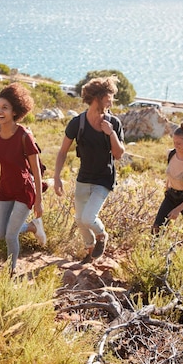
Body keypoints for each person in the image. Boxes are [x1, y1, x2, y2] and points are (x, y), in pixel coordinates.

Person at [0, 82, 46, 274]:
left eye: (5, 107)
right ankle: (32, 227)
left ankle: (10, 271)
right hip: (4, 189)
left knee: (11, 235)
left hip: (24, 190)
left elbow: (36, 170)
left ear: (15, 111)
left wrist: (39, 200)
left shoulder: (24, 136)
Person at [53, 76, 125, 264]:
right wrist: (57, 176)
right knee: (79, 219)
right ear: (96, 97)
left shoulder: (114, 123)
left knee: (88, 217)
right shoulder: (78, 123)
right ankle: (90, 251)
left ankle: (101, 236)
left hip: (104, 179)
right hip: (84, 178)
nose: (111, 101)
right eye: (108, 97)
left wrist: (111, 134)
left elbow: (119, 154)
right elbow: (62, 152)